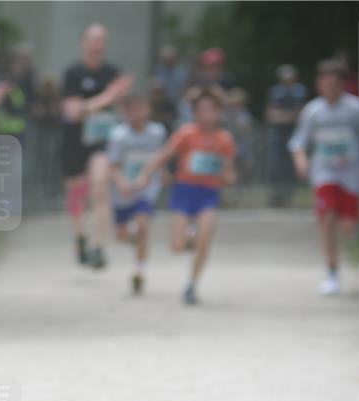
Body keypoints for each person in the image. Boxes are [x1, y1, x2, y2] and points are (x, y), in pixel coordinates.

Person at [137, 86, 237, 305]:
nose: (206, 114)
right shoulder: (187, 134)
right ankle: (190, 235)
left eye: (211, 109)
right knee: (177, 245)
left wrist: (222, 174)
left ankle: (192, 284)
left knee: (205, 238)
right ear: (195, 112)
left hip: (208, 193)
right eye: (202, 109)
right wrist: (147, 172)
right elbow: (165, 155)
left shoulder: (224, 139)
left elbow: (230, 175)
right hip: (184, 191)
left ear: (219, 112)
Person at [289, 59, 359, 296]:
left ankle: (354, 225)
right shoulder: (313, 111)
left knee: (348, 228)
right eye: (326, 83)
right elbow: (298, 142)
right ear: (319, 84)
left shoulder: (357, 109)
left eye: (335, 84)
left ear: (343, 85)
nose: (330, 88)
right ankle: (331, 273)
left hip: (351, 173)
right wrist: (301, 160)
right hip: (324, 172)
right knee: (327, 218)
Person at [60, 23, 132, 268]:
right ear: (83, 43)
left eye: (102, 39)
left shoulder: (113, 73)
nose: (97, 44)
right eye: (93, 39)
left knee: (100, 189)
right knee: (76, 195)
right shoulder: (73, 74)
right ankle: (80, 236)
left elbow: (121, 111)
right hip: (74, 141)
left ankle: (98, 247)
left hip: (101, 142)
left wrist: (121, 100)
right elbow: (72, 112)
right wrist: (106, 98)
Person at [108, 92, 166, 295]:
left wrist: (160, 173)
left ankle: (139, 271)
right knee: (122, 236)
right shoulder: (119, 136)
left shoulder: (157, 132)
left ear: (148, 109)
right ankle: (133, 237)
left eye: (139, 108)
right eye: (131, 110)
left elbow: (161, 156)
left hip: (147, 189)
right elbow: (113, 165)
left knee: (142, 226)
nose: (136, 113)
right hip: (123, 192)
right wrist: (122, 182)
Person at [265, 64, 307, 206]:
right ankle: (276, 196)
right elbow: (271, 114)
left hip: (294, 132)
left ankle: (289, 196)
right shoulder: (276, 91)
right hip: (278, 134)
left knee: (291, 164)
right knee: (276, 164)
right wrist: (288, 116)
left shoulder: (299, 91)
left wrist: (283, 116)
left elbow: (299, 114)